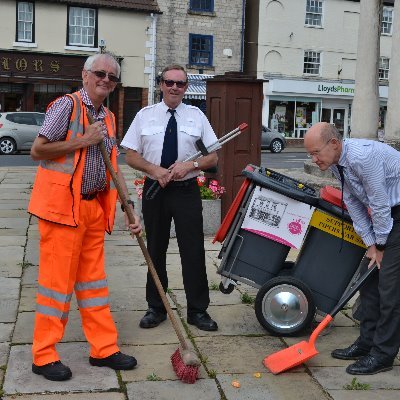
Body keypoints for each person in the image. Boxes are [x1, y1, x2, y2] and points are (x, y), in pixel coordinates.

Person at [28, 53, 142, 381]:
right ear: (85, 74)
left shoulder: (107, 117)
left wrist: (128, 207)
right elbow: (38, 150)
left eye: (113, 77)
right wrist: (83, 141)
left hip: (92, 210)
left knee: (93, 285)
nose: (106, 80)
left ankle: (103, 349)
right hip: (62, 210)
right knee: (56, 287)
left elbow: (114, 165)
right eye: (100, 73)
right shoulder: (66, 106)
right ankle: (44, 355)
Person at [121, 64, 218, 332]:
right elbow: (130, 155)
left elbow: (212, 156)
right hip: (156, 190)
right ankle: (156, 307)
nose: (175, 87)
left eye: (180, 83)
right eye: (169, 82)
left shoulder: (196, 116)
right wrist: (155, 170)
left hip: (186, 191)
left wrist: (190, 166)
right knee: (155, 248)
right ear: (160, 84)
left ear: (186, 87)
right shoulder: (145, 115)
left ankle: (198, 311)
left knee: (193, 251)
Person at [304, 122, 400, 375]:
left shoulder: (363, 158)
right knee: (367, 280)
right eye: (310, 155)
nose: (314, 159)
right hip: (386, 216)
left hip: (395, 213)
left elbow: (379, 205)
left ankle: (383, 355)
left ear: (334, 144)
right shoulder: (337, 162)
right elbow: (353, 202)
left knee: (390, 287)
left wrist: (380, 245)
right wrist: (371, 244)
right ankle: (366, 343)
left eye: (316, 153)